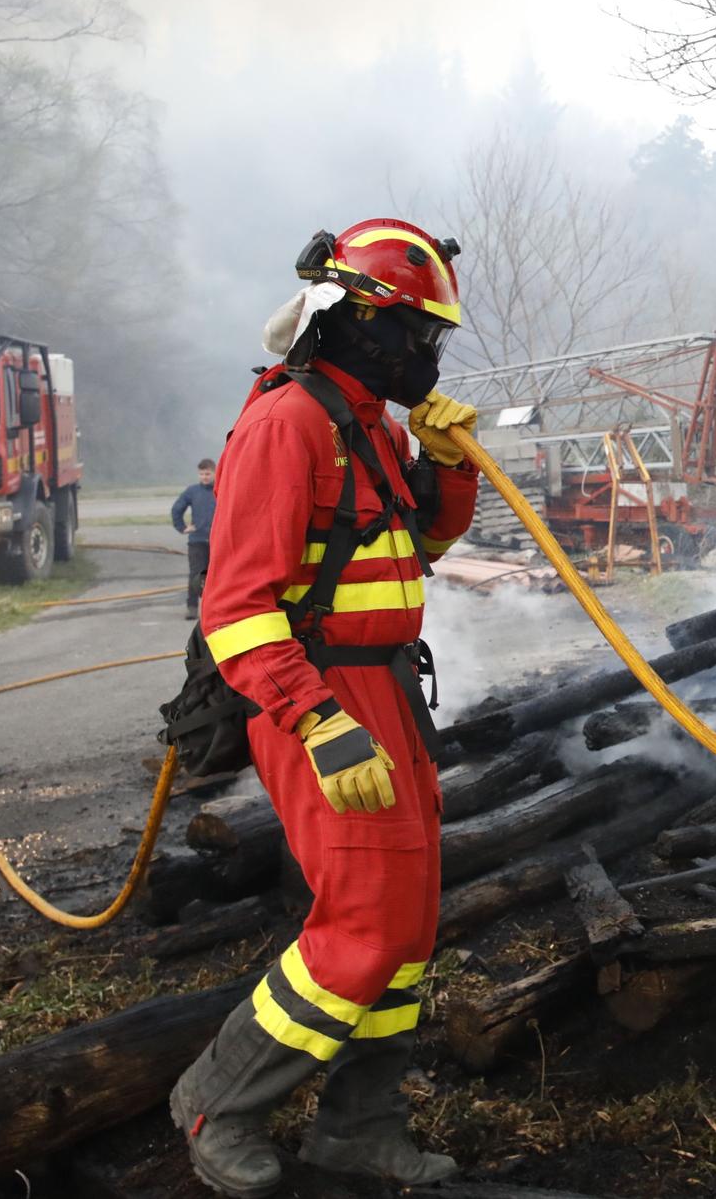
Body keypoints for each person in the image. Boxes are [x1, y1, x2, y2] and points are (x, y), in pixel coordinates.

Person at [170, 220, 481, 1196]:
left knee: (407, 920)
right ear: (355, 321)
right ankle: (218, 1104)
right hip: (322, 698)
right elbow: (234, 606)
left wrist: (452, 465)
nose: (426, 356)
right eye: (416, 335)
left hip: (386, 688)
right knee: (360, 918)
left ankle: (358, 1124)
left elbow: (417, 544)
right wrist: (315, 717)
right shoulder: (286, 424)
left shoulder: (370, 425)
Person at [172, 458, 217, 617]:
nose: (204, 477)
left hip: (217, 542)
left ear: (214, 473)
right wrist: (182, 527)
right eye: (201, 474)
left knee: (217, 577)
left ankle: (214, 610)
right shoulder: (192, 491)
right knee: (196, 575)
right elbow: (177, 509)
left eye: (207, 473)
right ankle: (191, 608)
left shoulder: (221, 489)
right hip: (197, 541)